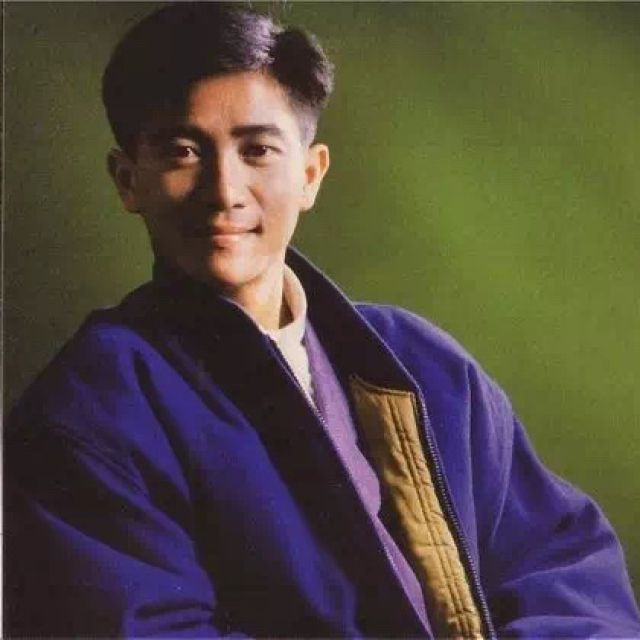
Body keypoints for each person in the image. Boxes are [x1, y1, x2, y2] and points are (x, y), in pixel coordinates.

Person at [4, 3, 640, 638]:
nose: (224, 191)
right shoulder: (89, 409)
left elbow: (562, 564)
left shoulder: (421, 363)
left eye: (257, 150)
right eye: (183, 152)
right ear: (128, 181)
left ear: (310, 174)